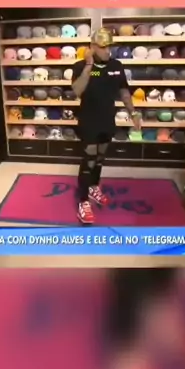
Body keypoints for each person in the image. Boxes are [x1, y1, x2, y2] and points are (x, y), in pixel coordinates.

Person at [72, 27, 140, 223]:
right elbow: (77, 91)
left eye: (109, 47)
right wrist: (88, 65)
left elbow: (124, 91)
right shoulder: (79, 66)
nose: (107, 51)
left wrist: (133, 113)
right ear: (92, 47)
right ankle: (83, 201)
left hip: (107, 120)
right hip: (88, 121)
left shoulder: (116, 66)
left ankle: (94, 187)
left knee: (100, 159)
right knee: (89, 160)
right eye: (103, 47)